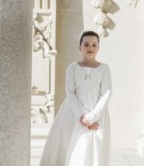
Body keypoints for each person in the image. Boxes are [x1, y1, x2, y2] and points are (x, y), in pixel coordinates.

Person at [40, 30, 112, 166]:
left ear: (98, 48)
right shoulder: (72, 68)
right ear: (80, 47)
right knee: (74, 146)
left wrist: (92, 117)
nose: (90, 48)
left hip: (98, 113)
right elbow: (70, 92)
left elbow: (106, 93)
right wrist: (83, 117)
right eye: (86, 44)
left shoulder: (104, 68)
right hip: (73, 112)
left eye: (94, 45)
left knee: (94, 147)